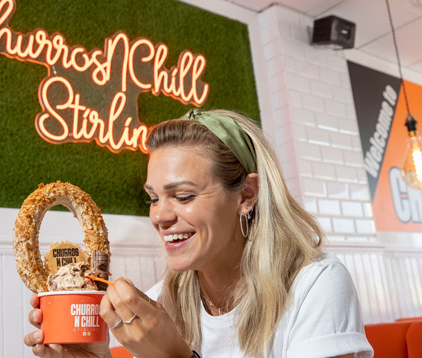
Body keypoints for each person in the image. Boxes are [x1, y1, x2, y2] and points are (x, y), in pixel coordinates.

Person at [24, 109, 374, 358]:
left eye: (184, 196)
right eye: (153, 198)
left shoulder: (316, 285)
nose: (160, 215)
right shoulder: (159, 302)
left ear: (246, 196)